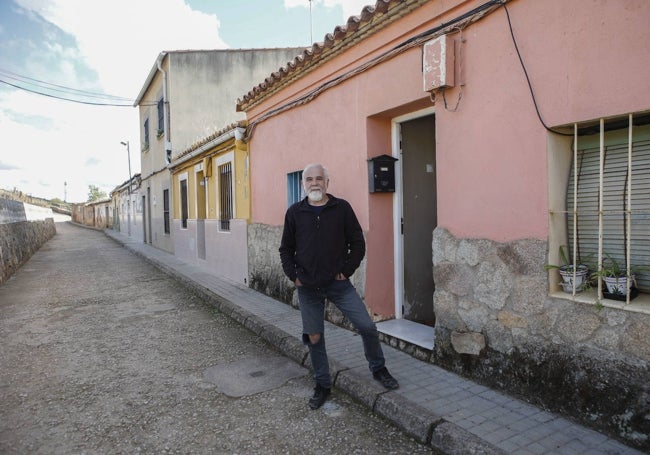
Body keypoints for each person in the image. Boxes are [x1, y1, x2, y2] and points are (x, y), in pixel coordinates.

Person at [279, 163, 399, 410]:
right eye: (310, 179)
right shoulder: (294, 213)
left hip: (337, 284)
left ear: (327, 182)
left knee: (367, 326)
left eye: (319, 179)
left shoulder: (341, 208)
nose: (315, 183)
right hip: (308, 287)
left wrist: (346, 271)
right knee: (314, 337)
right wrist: (294, 276)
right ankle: (322, 384)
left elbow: (357, 243)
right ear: (303, 184)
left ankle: (378, 368)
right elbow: (286, 250)